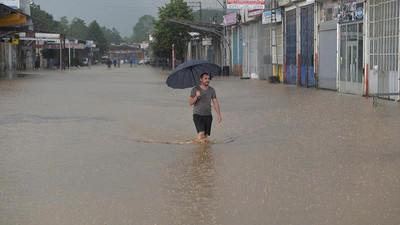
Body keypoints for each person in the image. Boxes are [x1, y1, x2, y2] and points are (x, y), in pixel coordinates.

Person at [188, 73, 222, 141]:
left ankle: (205, 151)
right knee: (201, 134)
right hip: (197, 115)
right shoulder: (195, 90)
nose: (207, 80)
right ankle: (199, 151)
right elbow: (190, 103)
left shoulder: (211, 90)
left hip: (208, 115)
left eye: (208, 79)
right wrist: (196, 97)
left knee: (206, 137)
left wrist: (219, 115)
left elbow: (215, 102)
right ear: (201, 79)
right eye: (205, 79)